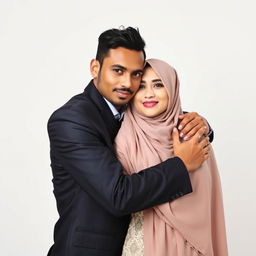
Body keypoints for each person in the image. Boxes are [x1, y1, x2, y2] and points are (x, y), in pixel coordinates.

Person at [47, 27, 213, 256]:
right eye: (118, 71)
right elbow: (118, 195)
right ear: (95, 68)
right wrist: (182, 165)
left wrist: (201, 125)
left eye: (136, 74)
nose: (128, 83)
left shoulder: (129, 107)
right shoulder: (71, 120)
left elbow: (163, 118)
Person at [115, 59, 228, 256]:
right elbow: (124, 196)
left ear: (172, 88)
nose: (149, 93)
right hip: (143, 245)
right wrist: (181, 164)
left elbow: (210, 202)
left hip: (192, 248)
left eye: (158, 84)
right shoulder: (123, 139)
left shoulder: (194, 134)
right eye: (141, 86)